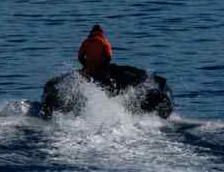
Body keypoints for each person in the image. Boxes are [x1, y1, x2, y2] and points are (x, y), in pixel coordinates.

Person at [39, 24, 174, 118]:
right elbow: (109, 56)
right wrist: (104, 66)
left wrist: (85, 65)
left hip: (89, 68)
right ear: (101, 33)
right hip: (101, 67)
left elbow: (80, 56)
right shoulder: (104, 42)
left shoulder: (86, 42)